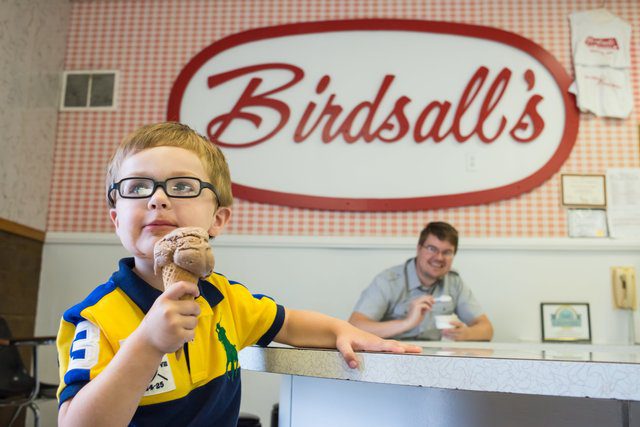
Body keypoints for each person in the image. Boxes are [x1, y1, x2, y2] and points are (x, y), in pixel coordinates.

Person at [55, 122, 421, 427]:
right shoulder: (96, 317)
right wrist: (147, 343)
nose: (157, 199)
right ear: (116, 219)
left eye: (182, 186)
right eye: (137, 188)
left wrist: (345, 331)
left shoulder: (225, 299)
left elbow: (290, 324)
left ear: (218, 219)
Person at [349, 222, 493, 341]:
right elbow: (354, 327)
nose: (439, 258)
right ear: (419, 249)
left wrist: (466, 334)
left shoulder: (454, 282)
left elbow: (487, 329)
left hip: (436, 360)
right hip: (392, 358)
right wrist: (407, 323)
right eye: (432, 249)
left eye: (447, 252)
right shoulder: (388, 281)